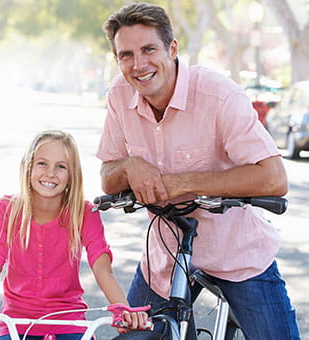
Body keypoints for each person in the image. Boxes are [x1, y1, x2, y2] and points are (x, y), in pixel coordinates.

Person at [97, 3, 300, 339]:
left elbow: (274, 178)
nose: (138, 64)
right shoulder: (120, 94)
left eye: (148, 49)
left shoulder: (219, 96)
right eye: (126, 55)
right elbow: (108, 175)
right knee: (134, 335)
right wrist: (131, 166)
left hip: (235, 250)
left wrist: (181, 183)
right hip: (167, 253)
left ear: (172, 48)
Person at [0, 130, 148, 339]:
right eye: (42, 163)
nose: (50, 173)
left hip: (68, 320)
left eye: (61, 166)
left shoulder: (84, 213)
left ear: (71, 175)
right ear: (29, 166)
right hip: (18, 320)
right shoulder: (7, 209)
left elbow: (102, 269)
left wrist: (121, 308)